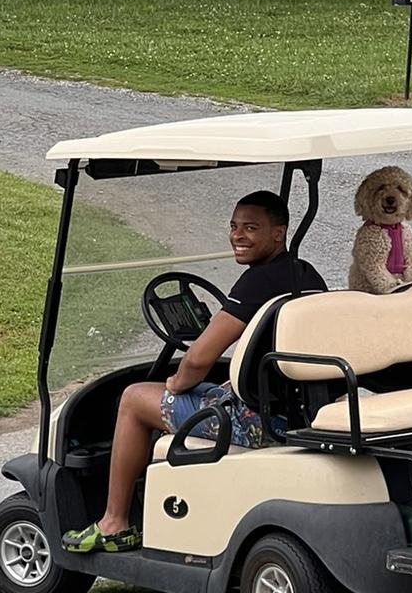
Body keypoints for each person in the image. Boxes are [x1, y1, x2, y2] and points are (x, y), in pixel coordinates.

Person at [63, 191, 326, 554]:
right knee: (202, 391)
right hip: (298, 409)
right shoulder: (304, 272)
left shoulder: (257, 282)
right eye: (234, 227)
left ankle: (114, 522)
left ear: (279, 233)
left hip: (264, 422)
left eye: (251, 228)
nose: (238, 236)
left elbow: (198, 360)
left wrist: (175, 383)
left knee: (135, 399)